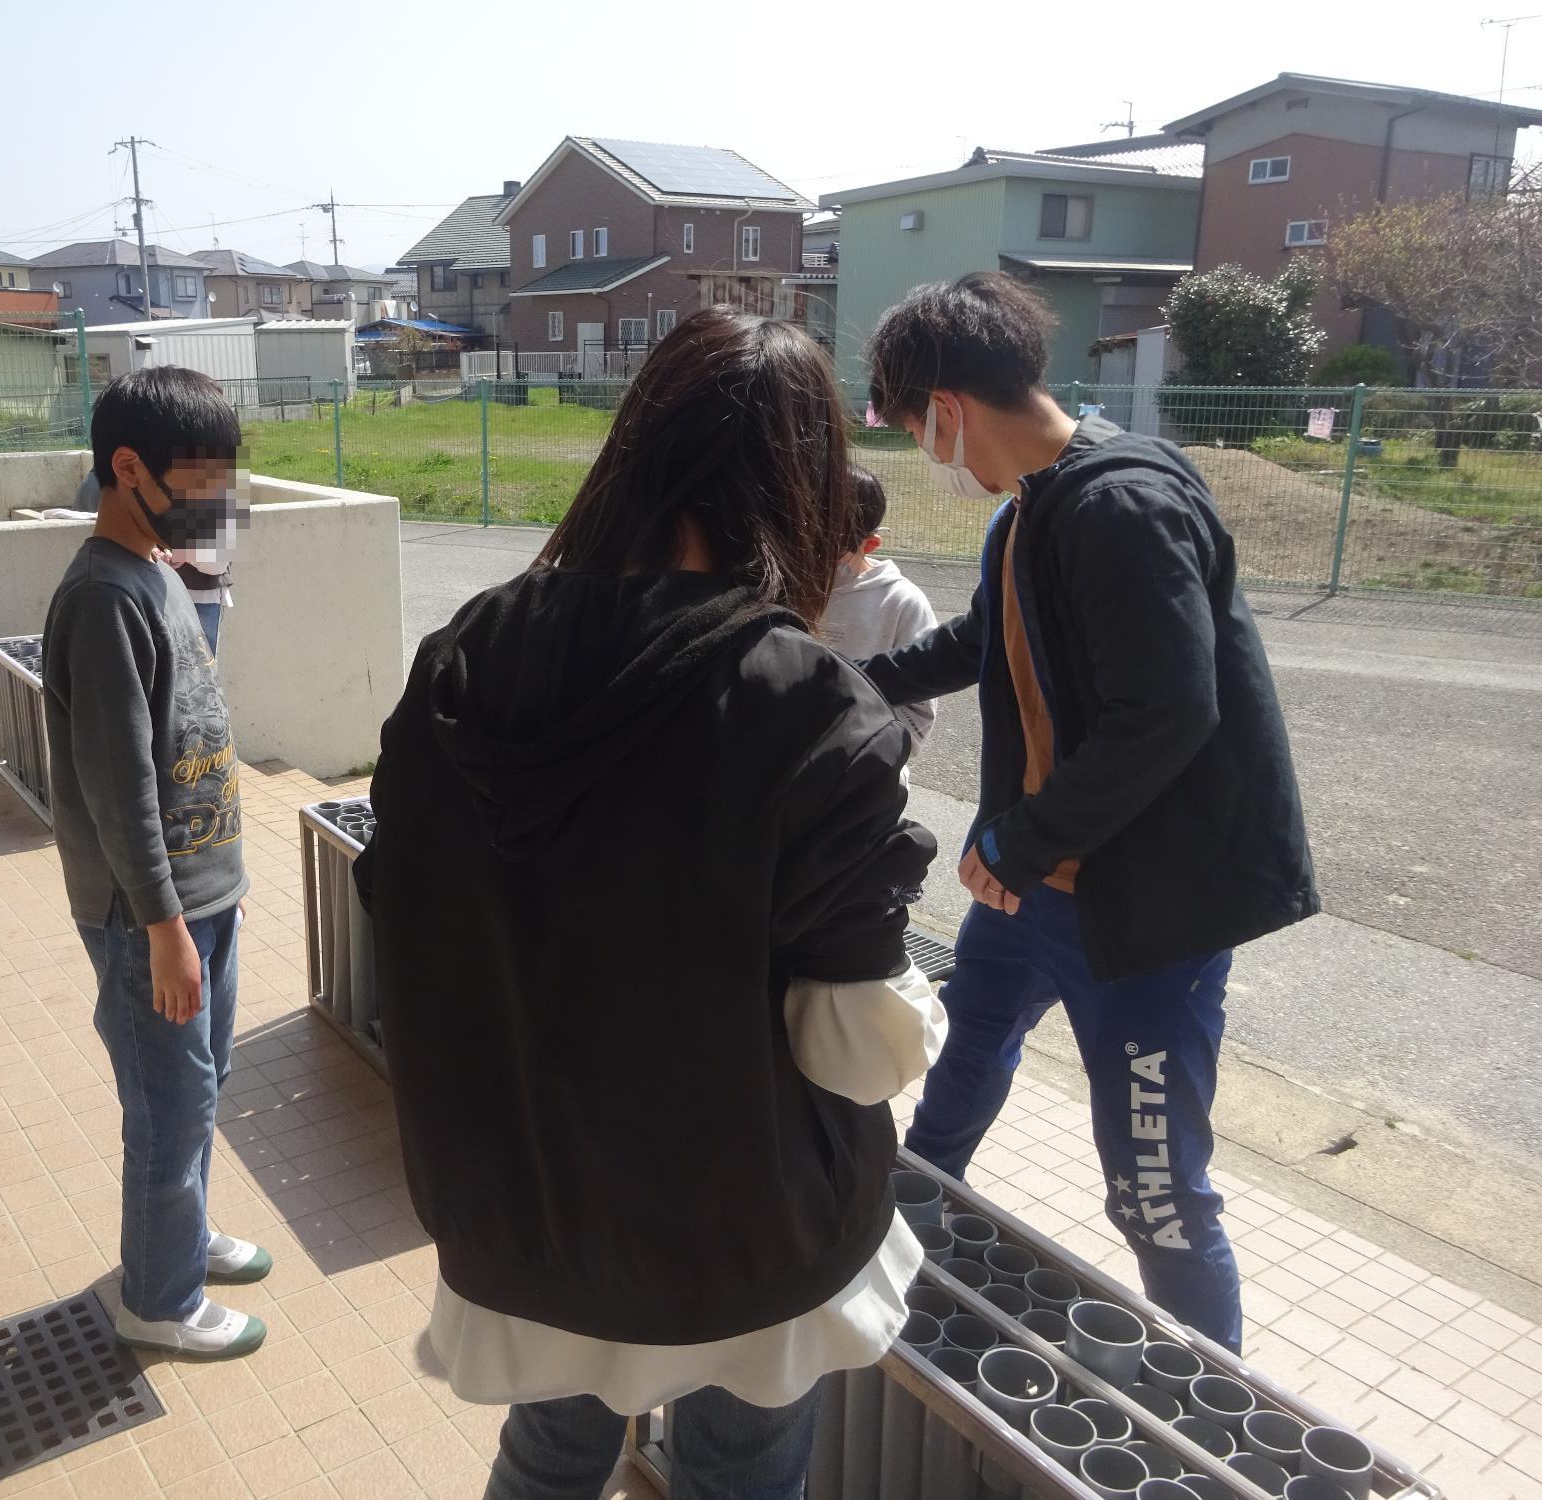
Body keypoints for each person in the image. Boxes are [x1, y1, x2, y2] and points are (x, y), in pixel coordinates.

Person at [354, 310, 945, 1500]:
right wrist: (920, 1010)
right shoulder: (807, 704)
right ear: (804, 482)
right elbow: (851, 1049)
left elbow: (403, 908)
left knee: (544, 1460)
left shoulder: (466, 652)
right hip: (742, 1232)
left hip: (526, 1205)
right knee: (739, 1473)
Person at [856, 272, 1319, 1354]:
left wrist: (1021, 839)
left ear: (946, 408)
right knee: (958, 1077)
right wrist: (851, 684)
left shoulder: (1122, 505)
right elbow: (986, 633)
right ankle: (907, 1256)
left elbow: (1168, 713)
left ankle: (1217, 1412)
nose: (928, 453)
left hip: (1142, 917)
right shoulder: (1034, 506)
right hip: (1030, 891)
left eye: (915, 428)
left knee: (1154, 1191)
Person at [41, 366, 271, 1359]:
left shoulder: (160, 572)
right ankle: (159, 1299)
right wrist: (165, 927)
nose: (215, 499)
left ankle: (183, 1238)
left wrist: (215, 893)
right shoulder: (101, 596)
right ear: (127, 468)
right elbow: (119, 786)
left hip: (200, 899)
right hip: (150, 919)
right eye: (199, 477)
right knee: (168, 1108)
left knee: (200, 1090)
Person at [816, 465, 937, 754]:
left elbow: (919, 712)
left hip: (861, 764)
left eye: (830, 548)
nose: (811, 555)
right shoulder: (781, 587)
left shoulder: (902, 602)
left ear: (870, 544)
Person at [72, 465, 233, 654]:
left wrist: (185, 554)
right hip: (157, 598)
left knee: (199, 666)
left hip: (200, 601)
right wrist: (153, 552)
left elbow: (218, 563)